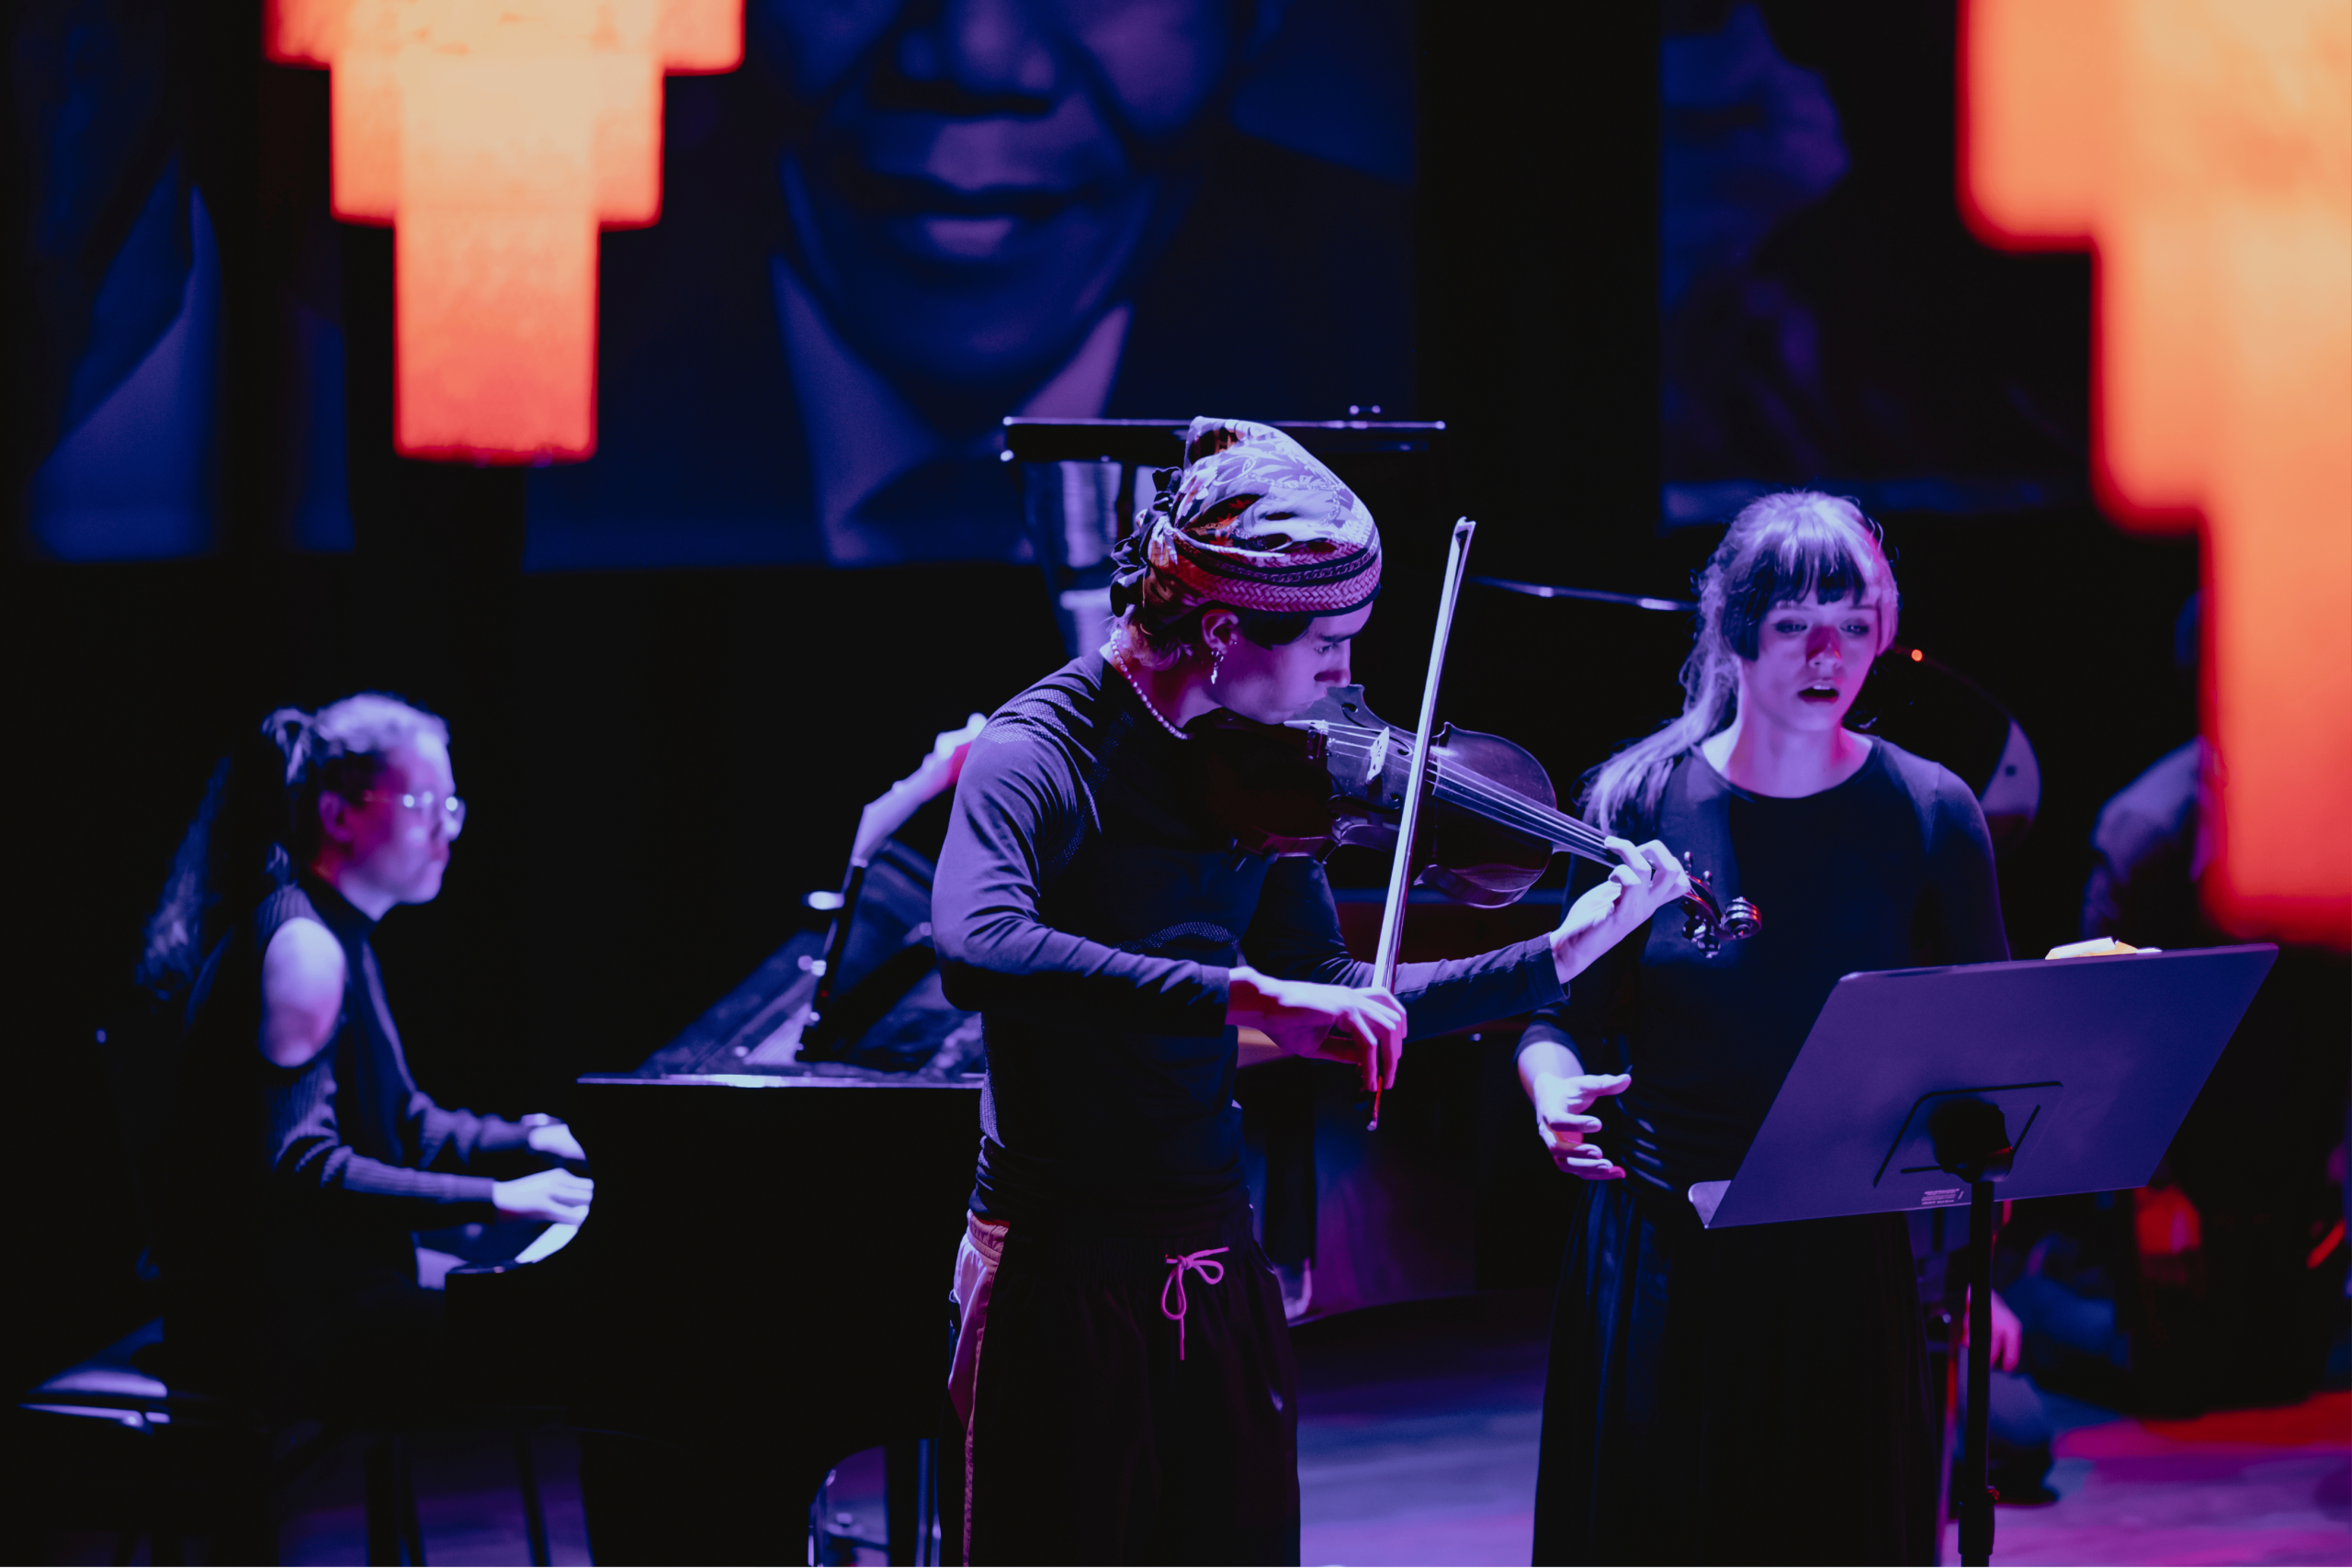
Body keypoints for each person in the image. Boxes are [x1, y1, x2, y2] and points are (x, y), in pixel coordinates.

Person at [930, 416, 1693, 1564]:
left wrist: (1557, 956)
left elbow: (1339, 992)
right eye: (1329, 645)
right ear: (1224, 625)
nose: (1348, 679)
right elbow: (978, 946)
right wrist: (1243, 996)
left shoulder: (1260, 763)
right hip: (1055, 1272)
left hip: (1212, 1252)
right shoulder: (1042, 751)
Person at [1519, 491, 2009, 1565]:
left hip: (1845, 1259)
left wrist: (1982, 1270)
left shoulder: (1933, 813)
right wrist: (1551, 1089)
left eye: (1853, 622)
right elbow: (1554, 1013)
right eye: (1793, 625)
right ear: (1737, 637)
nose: (1827, 652)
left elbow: (1986, 1055)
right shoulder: (1637, 801)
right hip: (1660, 1248)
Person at [144, 694, 590, 1410]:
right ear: (338, 814)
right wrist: (501, 1198)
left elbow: (405, 1121)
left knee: (554, 1318)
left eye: (453, 806)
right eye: (424, 803)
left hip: (327, 1294)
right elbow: (300, 1168)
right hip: (276, 1328)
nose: (446, 830)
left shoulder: (339, 933)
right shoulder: (303, 947)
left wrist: (535, 1138)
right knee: (574, 1337)